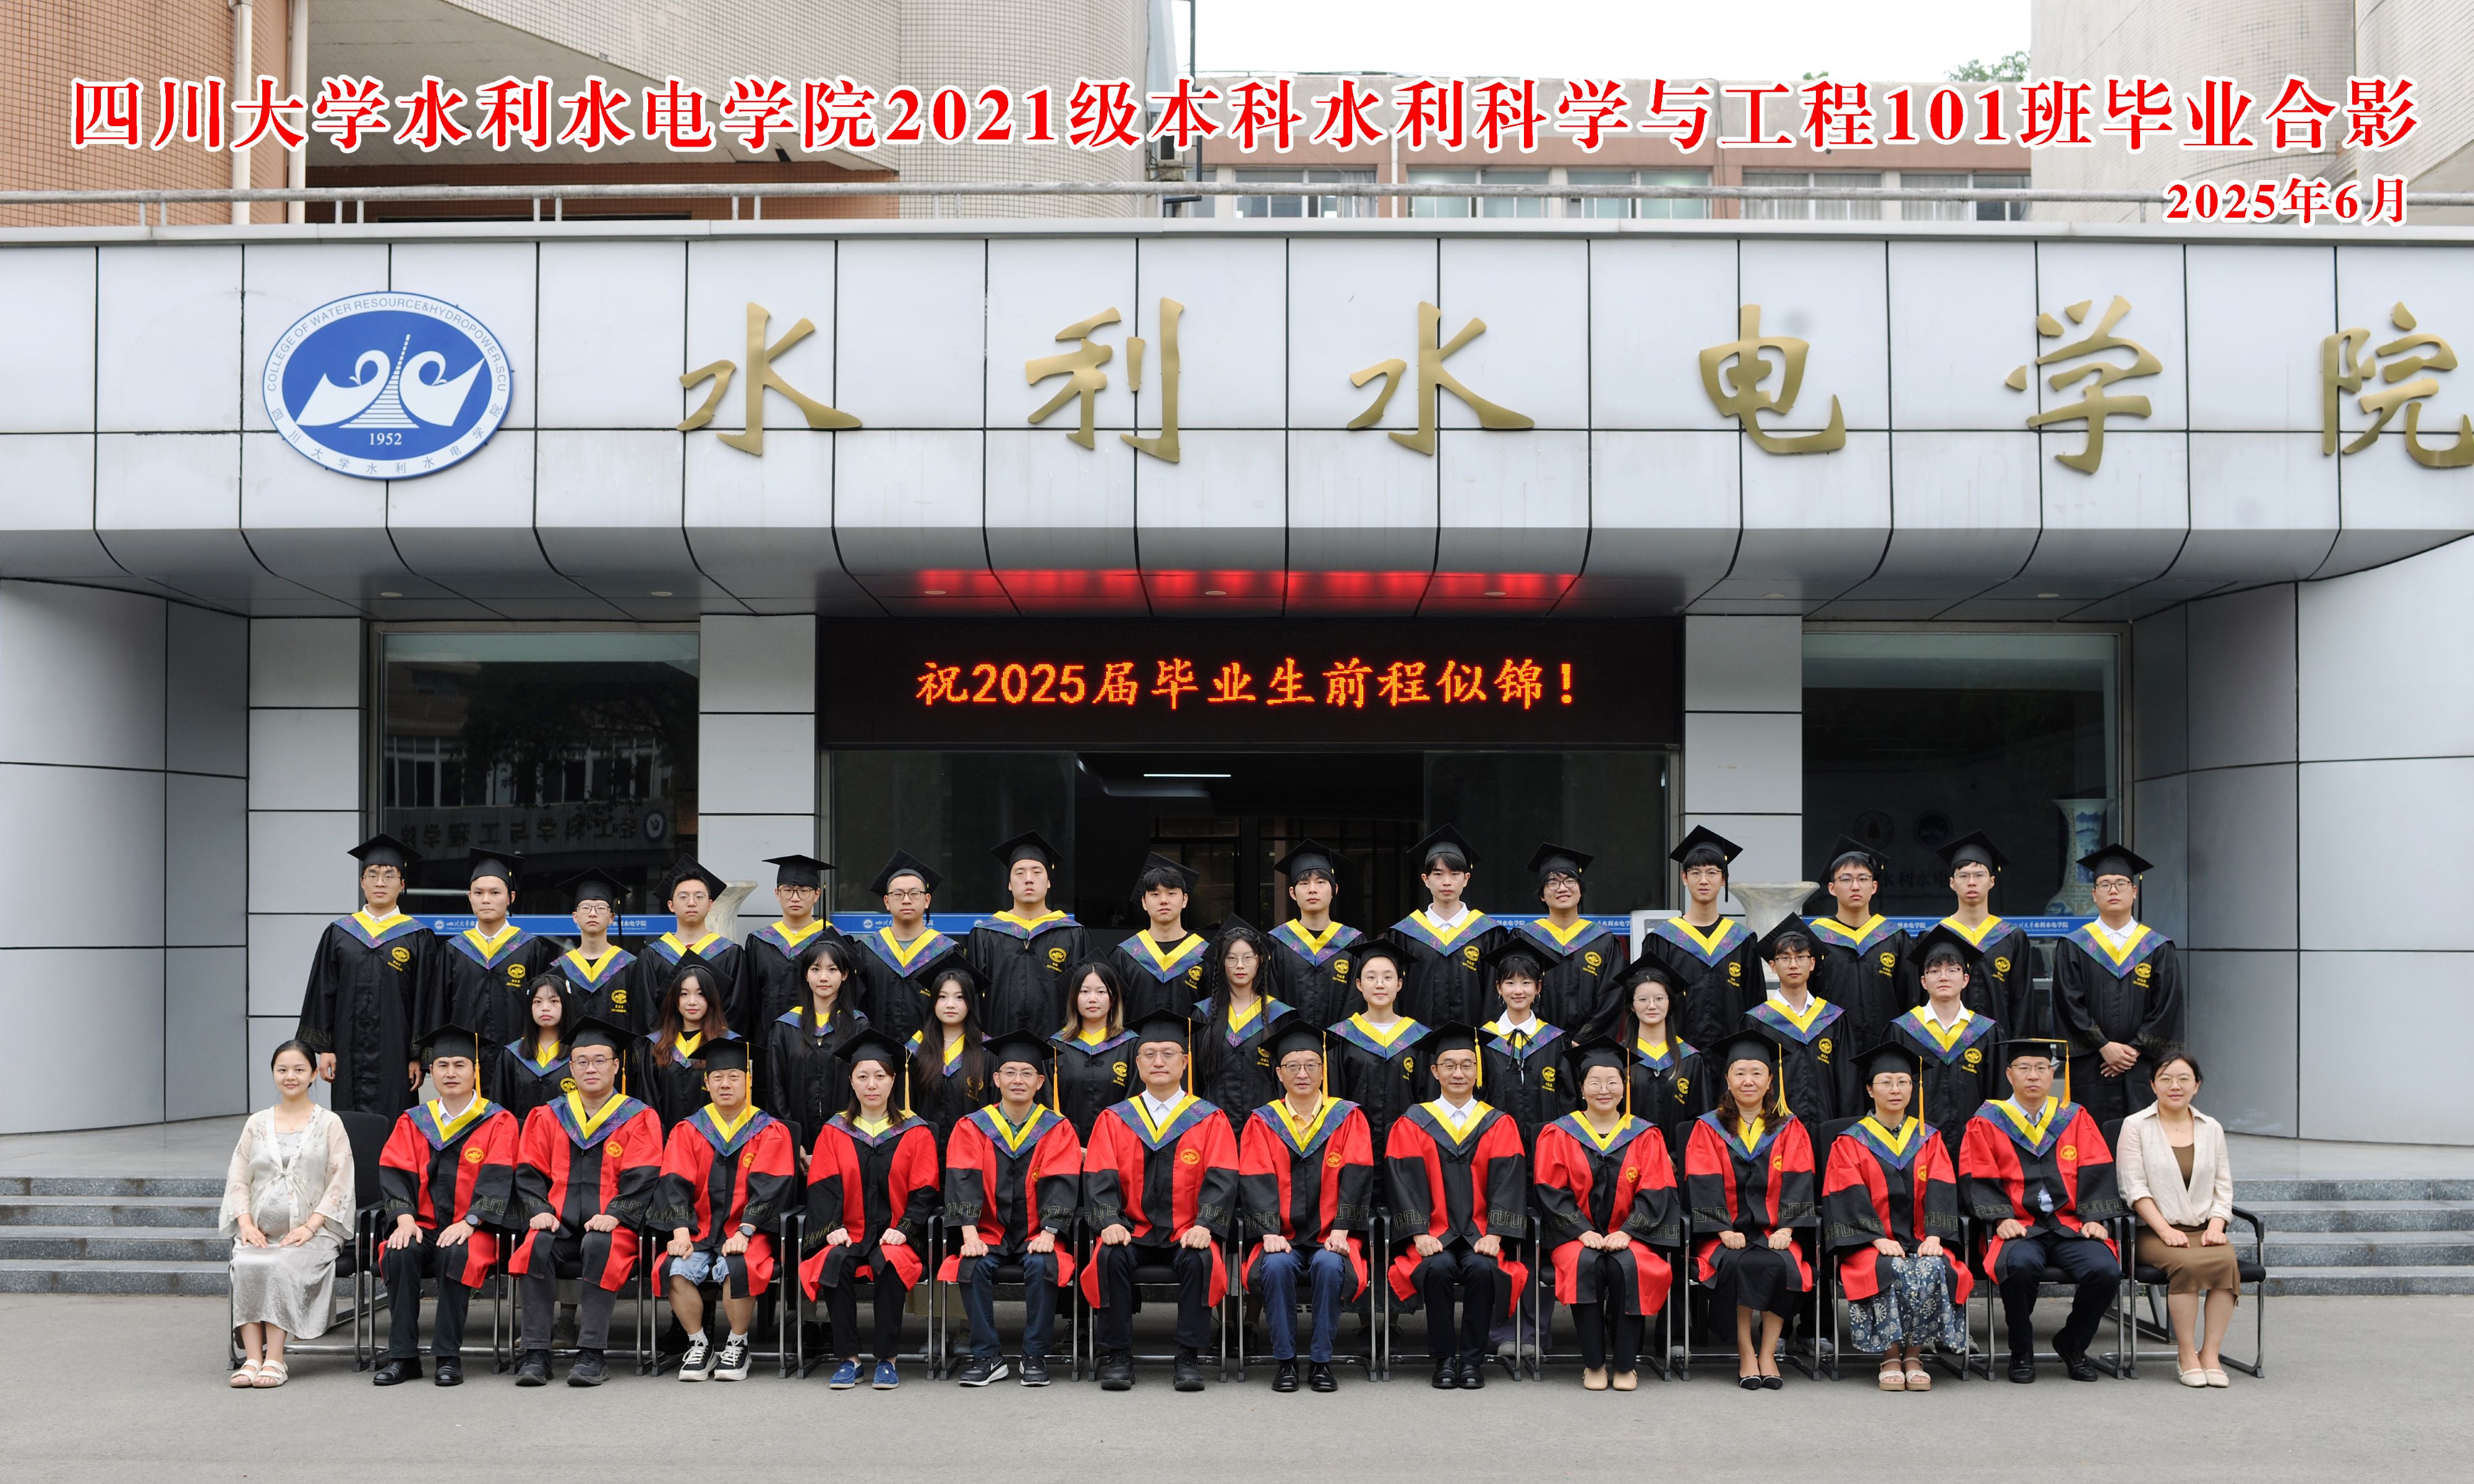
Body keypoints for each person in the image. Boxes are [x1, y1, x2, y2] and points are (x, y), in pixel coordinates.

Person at [1082, 1010, 1241, 1392]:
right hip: (1132, 1230)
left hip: (1187, 1231)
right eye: (1149, 1054)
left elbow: (1222, 1176)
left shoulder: (1209, 1119)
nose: (1158, 1062)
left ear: (1185, 1062)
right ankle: (1118, 1356)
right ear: (1137, 1064)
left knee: (1201, 1260)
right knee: (1109, 1256)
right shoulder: (1115, 1119)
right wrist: (1109, 1221)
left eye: (1168, 1054)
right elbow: (1099, 1175)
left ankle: (1189, 1356)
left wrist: (1205, 1225)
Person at [508, 1016, 665, 1387]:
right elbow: (529, 1170)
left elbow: (644, 1175)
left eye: (599, 1060)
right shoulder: (549, 1115)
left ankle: (592, 1353)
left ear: (616, 1065)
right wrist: (539, 1210)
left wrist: (616, 1214)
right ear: (571, 1067)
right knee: (536, 1246)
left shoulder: (638, 1117)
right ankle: (535, 1352)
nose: (590, 1068)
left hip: (612, 1225)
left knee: (599, 1244)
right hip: (558, 1221)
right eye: (581, 1061)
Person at [1959, 1038, 2125, 1384]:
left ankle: (2073, 1344)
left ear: (2053, 1074)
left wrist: (2095, 1218)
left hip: (2070, 1224)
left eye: (2041, 1068)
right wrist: (2000, 1217)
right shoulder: (1987, 1122)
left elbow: (2096, 1167)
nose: (2033, 1075)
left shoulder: (2074, 1117)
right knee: (2019, 1267)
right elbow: (1977, 1173)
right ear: (2009, 1074)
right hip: (2020, 1226)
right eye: (2024, 1068)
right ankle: (2021, 1350)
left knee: (2106, 1270)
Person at [1384, 1022, 1530, 1389]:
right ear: (1435, 1072)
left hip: (1481, 1233)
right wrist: (1418, 1234)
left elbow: (1510, 1181)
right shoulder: (1413, 1122)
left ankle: (1472, 1361)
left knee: (1483, 1270)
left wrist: (1496, 1234)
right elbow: (1401, 1182)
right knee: (1436, 1269)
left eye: (1466, 1065)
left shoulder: (1498, 1123)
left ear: (1477, 1071)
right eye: (1449, 1065)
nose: (1458, 1073)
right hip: (1432, 1234)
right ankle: (1444, 1360)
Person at [374, 1023, 519, 1387]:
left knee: (456, 1253)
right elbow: (395, 1170)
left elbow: (499, 1177)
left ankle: (448, 1357)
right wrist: (404, 1219)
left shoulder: (498, 1121)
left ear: (475, 1071)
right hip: (421, 1224)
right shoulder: (414, 1121)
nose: (451, 1073)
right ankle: (403, 1357)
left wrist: (471, 1221)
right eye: (442, 1065)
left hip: (475, 1228)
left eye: (459, 1065)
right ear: (431, 1072)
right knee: (399, 1251)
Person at [1531, 1037, 1680, 1392]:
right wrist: (1581, 1231)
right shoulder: (1559, 1133)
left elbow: (1657, 1188)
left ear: (1624, 1086)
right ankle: (1594, 1363)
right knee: (1586, 1265)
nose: (1604, 1090)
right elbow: (1551, 1189)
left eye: (1612, 1082)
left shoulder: (1645, 1135)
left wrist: (1628, 1231)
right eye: (1595, 1082)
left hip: (1632, 1235)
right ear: (1582, 1087)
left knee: (1630, 1267)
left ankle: (1627, 1364)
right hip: (1575, 1236)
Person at [1823, 1043, 1971, 1392]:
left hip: (1922, 1238)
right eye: (1886, 1082)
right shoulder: (1850, 1142)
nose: (1895, 1090)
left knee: (1932, 1265)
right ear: (1870, 1090)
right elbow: (1846, 1194)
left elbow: (1942, 1187)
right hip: (1870, 1242)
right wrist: (1877, 1238)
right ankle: (1890, 1356)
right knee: (1890, 1266)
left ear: (1912, 1089)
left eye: (1903, 1082)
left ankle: (1914, 1356)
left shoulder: (1928, 1138)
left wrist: (1934, 1235)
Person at [799, 1030, 941, 1390]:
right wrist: (831, 1227)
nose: (871, 1085)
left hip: (898, 1232)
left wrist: (905, 1228)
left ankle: (887, 1360)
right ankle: (848, 1359)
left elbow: (925, 1190)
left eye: (880, 1076)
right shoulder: (835, 1131)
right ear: (851, 1081)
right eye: (862, 1076)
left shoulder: (916, 1131)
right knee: (835, 1261)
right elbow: (822, 1185)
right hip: (850, 1231)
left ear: (894, 1080)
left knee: (891, 1262)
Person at [1238, 1025, 1376, 1393]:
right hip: (1280, 1236)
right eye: (1293, 1066)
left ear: (1323, 1071)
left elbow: (1357, 1175)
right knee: (1276, 1266)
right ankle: (1285, 1362)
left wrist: (1342, 1230)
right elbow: (1255, 1177)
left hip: (1332, 1235)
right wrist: (1269, 1232)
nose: (1303, 1073)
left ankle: (1321, 1362)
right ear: (1279, 1073)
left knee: (1330, 1265)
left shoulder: (1347, 1117)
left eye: (1311, 1065)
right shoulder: (1262, 1121)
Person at [942, 1029, 1082, 1388]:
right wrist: (969, 1234)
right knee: (971, 1264)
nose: (1018, 1080)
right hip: (988, 1232)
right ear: (996, 1079)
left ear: (1039, 1082)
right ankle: (987, 1356)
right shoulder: (972, 1127)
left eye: (1026, 1073)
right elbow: (963, 1178)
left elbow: (1062, 1181)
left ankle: (1035, 1355)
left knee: (1044, 1264)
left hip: (1038, 1232)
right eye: (1010, 1072)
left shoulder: (1057, 1128)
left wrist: (1050, 1232)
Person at [653, 1037, 798, 1383]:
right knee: (673, 1266)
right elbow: (674, 1182)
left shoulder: (769, 1131)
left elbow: (771, 1185)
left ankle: (737, 1343)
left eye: (734, 1076)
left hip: (750, 1231)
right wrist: (680, 1232)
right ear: (706, 1083)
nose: (726, 1084)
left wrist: (746, 1230)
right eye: (717, 1077)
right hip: (699, 1229)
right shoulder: (688, 1130)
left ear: (749, 1080)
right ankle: (699, 1344)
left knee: (739, 1264)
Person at [1683, 1028, 1817, 1390]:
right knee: (1738, 1266)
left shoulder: (1789, 1127)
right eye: (1740, 1073)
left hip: (1776, 1229)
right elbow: (1703, 1179)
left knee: (1782, 1265)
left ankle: (1768, 1352)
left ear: (1771, 1080)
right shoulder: (1708, 1128)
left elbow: (1800, 1177)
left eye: (1757, 1073)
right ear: (1727, 1079)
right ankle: (1746, 1352)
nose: (1748, 1081)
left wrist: (1788, 1228)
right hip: (1725, 1231)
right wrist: (1722, 1229)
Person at [223, 1040, 356, 1389]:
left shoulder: (329, 1123)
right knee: (247, 1262)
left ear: (313, 1075)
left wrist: (311, 1227)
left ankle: (276, 1359)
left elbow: (341, 1181)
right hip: (261, 1231)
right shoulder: (257, 1123)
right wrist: (245, 1223)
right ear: (273, 1074)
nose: (290, 1076)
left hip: (314, 1233)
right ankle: (253, 1359)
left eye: (299, 1069)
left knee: (279, 1264)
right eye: (282, 1070)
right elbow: (238, 1177)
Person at [2116, 1048, 2239, 1388]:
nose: (2175, 1086)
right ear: (2153, 1084)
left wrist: (2217, 1225)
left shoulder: (2211, 1128)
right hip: (2152, 1232)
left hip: (2204, 1228)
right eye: (2166, 1079)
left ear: (2197, 1086)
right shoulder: (2136, 1126)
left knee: (2225, 1261)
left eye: (2184, 1079)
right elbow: (2133, 1187)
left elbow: (2223, 1186)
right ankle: (2186, 1354)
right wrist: (2165, 1230)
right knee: (2187, 1264)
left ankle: (2210, 1354)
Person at [298, 834, 441, 1118]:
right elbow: (323, 992)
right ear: (362, 882)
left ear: (402, 884)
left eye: (389, 876)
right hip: (347, 1053)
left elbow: (426, 1001)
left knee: (395, 1122)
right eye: (372, 875)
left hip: (396, 1055)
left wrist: (418, 1057)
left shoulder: (418, 936)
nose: (380, 882)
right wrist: (326, 1049)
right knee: (348, 1125)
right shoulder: (340, 933)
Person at [2052, 844, 2185, 1127]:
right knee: (2091, 1136)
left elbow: (2167, 1006)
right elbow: (2068, 1002)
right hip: (2092, 1065)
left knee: (2143, 1137)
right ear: (2094, 894)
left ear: (2134, 891)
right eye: (2105, 884)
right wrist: (2103, 1046)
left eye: (2121, 883)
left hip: (2142, 1066)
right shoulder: (2075, 945)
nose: (2113, 890)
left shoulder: (2157, 947)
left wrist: (2134, 1050)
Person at [435, 850, 562, 1097]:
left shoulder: (531, 949)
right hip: (465, 1064)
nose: (486, 900)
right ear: (469, 897)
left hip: (522, 1062)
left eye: (495, 893)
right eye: (479, 893)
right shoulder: (453, 950)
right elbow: (439, 1008)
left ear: (510, 897)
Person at [1637, 827, 1760, 1047]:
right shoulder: (1663, 939)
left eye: (1712, 872)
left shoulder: (1742, 940)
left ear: (1724, 879)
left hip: (1732, 1056)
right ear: (1684, 878)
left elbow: (1755, 1004)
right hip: (1677, 1054)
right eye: (1696, 873)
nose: (1704, 880)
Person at [969, 830, 1089, 1038]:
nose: (1029, 879)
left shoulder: (1073, 934)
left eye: (1037, 872)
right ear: (1009, 884)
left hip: (1058, 1046)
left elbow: (1084, 995)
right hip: (997, 1044)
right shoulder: (986, 934)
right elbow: (973, 998)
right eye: (1020, 873)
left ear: (1049, 882)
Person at [1324, 940, 1436, 1161]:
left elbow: (1427, 1097)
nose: (1380, 984)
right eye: (1371, 977)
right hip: (1354, 1150)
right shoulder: (1341, 1036)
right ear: (1359, 984)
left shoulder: (1419, 1037)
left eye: (1388, 977)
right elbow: (1335, 1096)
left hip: (1408, 1149)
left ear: (1399, 984)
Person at [1385, 824, 1504, 1028]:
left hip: (1473, 1041)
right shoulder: (1406, 934)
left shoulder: (1487, 933)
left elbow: (1495, 994)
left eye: (1454, 874)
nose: (1447, 882)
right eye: (1438, 874)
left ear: (1466, 879)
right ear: (1426, 880)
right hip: (1417, 1040)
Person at [1745, 915, 1859, 1127]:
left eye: (1800, 957)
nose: (1793, 965)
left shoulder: (1833, 1019)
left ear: (1812, 963)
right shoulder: (1758, 1022)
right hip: (1774, 1131)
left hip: (1826, 1129)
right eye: (1785, 958)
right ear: (1773, 966)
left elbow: (1848, 1084)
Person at [1918, 832, 2035, 1032]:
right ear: (1952, 883)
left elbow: (2023, 1000)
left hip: (2000, 1042)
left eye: (1979, 875)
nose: (1971, 882)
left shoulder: (2012, 937)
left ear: (1992, 881)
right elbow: (1922, 999)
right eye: (1963, 876)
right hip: (1946, 1042)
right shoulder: (1934, 937)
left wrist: (2018, 1048)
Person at [1888, 925, 2001, 1133]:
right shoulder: (1903, 1030)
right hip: (1917, 1141)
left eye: (1952, 970)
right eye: (1934, 971)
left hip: (1975, 1140)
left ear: (1965, 979)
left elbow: (1998, 1093)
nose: (1943, 977)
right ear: (1924, 982)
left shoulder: (1986, 1031)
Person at [763, 934, 869, 1156]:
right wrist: (793, 1142)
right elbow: (775, 1089)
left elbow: (864, 1088)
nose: (823, 977)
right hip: (795, 1146)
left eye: (832, 970)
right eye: (815, 969)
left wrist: (848, 1139)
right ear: (806, 975)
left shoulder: (858, 1026)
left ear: (845, 975)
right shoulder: (785, 1027)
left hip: (848, 1143)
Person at [849, 851, 964, 1049]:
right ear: (887, 902)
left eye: (914, 893)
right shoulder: (866, 950)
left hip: (933, 1055)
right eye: (898, 894)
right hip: (876, 1056)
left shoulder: (946, 951)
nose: (906, 900)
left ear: (927, 900)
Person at [623, 857, 745, 1043]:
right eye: (683, 897)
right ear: (671, 905)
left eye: (699, 897)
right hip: (666, 1053)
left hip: (715, 1052)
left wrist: (718, 1048)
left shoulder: (730, 953)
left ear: (710, 905)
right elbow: (646, 1012)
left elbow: (737, 1010)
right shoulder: (652, 955)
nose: (691, 903)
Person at [1808, 837, 1912, 1053]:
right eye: (1846, 879)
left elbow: (1910, 998)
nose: (1855, 886)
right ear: (1832, 888)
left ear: (1874, 887)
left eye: (1863, 879)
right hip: (1831, 1050)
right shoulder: (1816, 938)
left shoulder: (1895, 938)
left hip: (1887, 1050)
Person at [1192, 915, 1296, 1130]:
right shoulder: (1203, 1015)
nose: (1240, 965)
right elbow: (1195, 1077)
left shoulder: (1279, 1015)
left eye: (1248, 958)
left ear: (1260, 961)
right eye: (1231, 958)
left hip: (1266, 1126)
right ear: (1222, 963)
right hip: (1213, 1126)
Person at [1508, 843, 1622, 1037]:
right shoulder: (1526, 938)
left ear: (1580, 889)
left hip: (1589, 1047)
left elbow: (1612, 996)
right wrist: (1543, 1039)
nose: (1562, 888)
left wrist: (1584, 1038)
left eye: (1570, 881)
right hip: (1536, 1043)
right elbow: (1515, 991)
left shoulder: (1603, 941)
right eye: (1552, 883)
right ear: (1542, 895)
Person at [1476, 940, 1573, 1146]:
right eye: (1510, 983)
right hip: (1498, 1144)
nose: (1518, 991)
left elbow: (1568, 1098)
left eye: (1526, 983)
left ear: (1538, 987)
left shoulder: (1554, 1040)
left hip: (1548, 1144)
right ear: (1499, 988)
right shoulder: (1485, 1040)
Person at [1266, 838, 1364, 1030]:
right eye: (1304, 883)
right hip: (1289, 1044)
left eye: (1321, 882)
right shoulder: (1277, 942)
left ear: (1334, 890)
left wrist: (1338, 1040)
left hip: (1340, 1043)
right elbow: (1271, 999)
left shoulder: (1353, 942)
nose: (1312, 890)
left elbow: (1358, 1000)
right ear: (1293, 893)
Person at [635, 954, 737, 1128]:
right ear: (675, 999)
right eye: (684, 994)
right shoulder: (656, 1045)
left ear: (711, 998)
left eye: (700, 994)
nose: (692, 1002)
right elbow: (648, 1100)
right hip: (665, 1141)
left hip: (714, 1141)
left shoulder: (727, 1044)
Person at [738, 854, 837, 1031]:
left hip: (822, 1039)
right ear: (777, 894)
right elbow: (750, 1000)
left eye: (804, 891)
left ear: (817, 895)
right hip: (768, 1040)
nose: (795, 898)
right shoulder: (759, 942)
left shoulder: (835, 940)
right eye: (788, 890)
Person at [1110, 852, 1212, 1021]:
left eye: (1171, 893)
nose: (1163, 901)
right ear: (1144, 902)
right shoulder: (1124, 955)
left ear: (1184, 900)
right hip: (1136, 1039)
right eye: (1155, 894)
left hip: (1190, 1039)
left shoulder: (1204, 955)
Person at [1615, 963, 1706, 1142]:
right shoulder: (1619, 1057)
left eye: (1659, 998)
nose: (1652, 1006)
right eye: (1643, 999)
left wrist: (1677, 1156)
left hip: (1679, 1157)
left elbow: (1699, 1119)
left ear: (1669, 1002)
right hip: (1630, 1156)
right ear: (1632, 1006)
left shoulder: (1691, 1059)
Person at [906, 965, 992, 1143]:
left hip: (972, 1153)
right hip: (925, 1151)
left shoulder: (988, 1052)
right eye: (942, 997)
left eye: (960, 997)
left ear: (970, 1002)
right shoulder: (914, 1051)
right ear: (933, 1002)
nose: (950, 1005)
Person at [1050, 960, 1135, 1138]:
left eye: (1101, 992)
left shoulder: (1131, 1046)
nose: (1092, 999)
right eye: (1084, 991)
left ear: (1113, 998)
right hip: (1067, 1147)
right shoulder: (1056, 1047)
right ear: (1074, 998)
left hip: (1117, 1147)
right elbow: (1047, 1104)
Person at [547, 869, 637, 1030]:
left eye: (601, 908)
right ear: (575, 916)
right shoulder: (559, 969)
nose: (593, 914)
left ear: (612, 918)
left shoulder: (630, 966)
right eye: (586, 908)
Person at [495, 974, 578, 1122]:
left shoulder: (578, 1054)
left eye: (554, 1001)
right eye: (537, 1002)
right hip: (520, 1135)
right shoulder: (512, 1055)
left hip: (565, 1136)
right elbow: (500, 1110)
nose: (545, 1008)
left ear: (565, 1005)